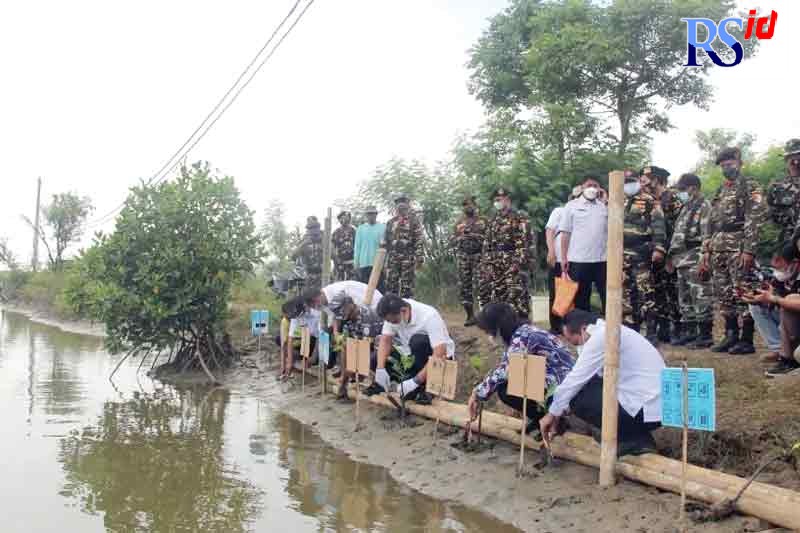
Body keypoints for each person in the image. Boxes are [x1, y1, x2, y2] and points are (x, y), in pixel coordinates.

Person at [539, 310, 666, 456]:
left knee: (578, 398)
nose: (576, 347)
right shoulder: (610, 331)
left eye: (575, 342)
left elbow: (575, 380)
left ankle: (632, 441)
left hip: (648, 408)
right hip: (650, 405)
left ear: (583, 329)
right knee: (587, 387)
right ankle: (634, 438)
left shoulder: (602, 337)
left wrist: (552, 414)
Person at [700, 147, 768, 355]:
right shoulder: (721, 190)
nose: (726, 169)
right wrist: (706, 249)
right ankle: (730, 334)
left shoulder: (750, 185)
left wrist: (749, 250)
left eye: (730, 164)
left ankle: (746, 338)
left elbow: (754, 219)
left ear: (739, 163)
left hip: (738, 244)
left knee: (743, 290)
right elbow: (710, 221)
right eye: (723, 166)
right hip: (719, 246)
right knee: (724, 292)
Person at [467, 303, 575, 432]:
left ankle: (555, 421)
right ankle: (540, 418)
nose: (487, 334)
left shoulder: (523, 337)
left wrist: (477, 393)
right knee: (513, 382)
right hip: (553, 380)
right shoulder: (522, 333)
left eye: (487, 330)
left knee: (505, 389)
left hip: (563, 387)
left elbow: (505, 371)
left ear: (497, 326)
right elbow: (506, 366)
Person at [365, 294, 456, 404]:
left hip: (440, 362)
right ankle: (387, 384)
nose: (391, 324)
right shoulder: (393, 312)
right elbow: (386, 340)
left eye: (394, 321)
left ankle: (426, 387)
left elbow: (440, 352)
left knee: (417, 341)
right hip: (411, 356)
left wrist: (416, 381)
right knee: (375, 358)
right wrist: (380, 369)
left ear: (403, 311)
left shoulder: (429, 316)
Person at [667, 173, 714, 349]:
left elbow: (706, 235)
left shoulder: (704, 206)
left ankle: (705, 335)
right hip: (681, 260)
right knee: (685, 298)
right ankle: (690, 332)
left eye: (682, 189)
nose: (680, 193)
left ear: (693, 188)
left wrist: (704, 259)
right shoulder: (686, 207)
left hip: (695, 257)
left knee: (700, 296)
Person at [621, 170, 666, 342]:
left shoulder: (649, 201)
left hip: (641, 252)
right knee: (625, 293)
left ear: (639, 182)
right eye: (626, 182)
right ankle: (630, 330)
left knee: (645, 292)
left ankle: (651, 331)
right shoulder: (618, 200)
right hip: (622, 255)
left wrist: (658, 248)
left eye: (632, 181)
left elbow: (659, 225)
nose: (629, 184)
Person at [743, 242, 800, 376]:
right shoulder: (783, 277)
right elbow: (775, 296)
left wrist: (775, 299)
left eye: (780, 262)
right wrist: (761, 298)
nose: (777, 267)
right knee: (758, 307)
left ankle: (789, 358)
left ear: (795, 263)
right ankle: (782, 353)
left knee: (789, 301)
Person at [642, 166, 684, 344]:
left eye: (648, 178)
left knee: (672, 292)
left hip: (669, 253)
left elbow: (678, 228)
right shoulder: (647, 200)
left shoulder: (672, 198)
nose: (644, 181)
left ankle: (678, 330)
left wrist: (671, 255)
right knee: (656, 291)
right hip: (651, 253)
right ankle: (662, 328)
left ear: (657, 179)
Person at [480, 187, 534, 319]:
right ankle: (504, 328)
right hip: (496, 264)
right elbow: (487, 243)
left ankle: (522, 325)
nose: (496, 202)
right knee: (499, 297)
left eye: (499, 199)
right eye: (495, 200)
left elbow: (525, 242)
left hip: (514, 262)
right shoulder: (493, 219)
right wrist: (486, 264)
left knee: (517, 296)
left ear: (507, 199)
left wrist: (518, 263)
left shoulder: (520, 216)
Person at [560, 177, 609, 313]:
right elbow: (565, 234)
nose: (592, 188)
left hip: (602, 260)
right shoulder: (571, 206)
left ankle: (608, 329)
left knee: (607, 296)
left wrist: (605, 200)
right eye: (589, 185)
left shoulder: (604, 207)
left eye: (595, 185)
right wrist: (564, 257)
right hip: (578, 260)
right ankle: (582, 330)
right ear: (582, 187)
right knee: (581, 299)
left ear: (599, 188)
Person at [332, 296, 386, 398]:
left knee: (369, 358)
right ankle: (345, 380)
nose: (340, 313)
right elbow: (349, 344)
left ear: (350, 305)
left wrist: (351, 369)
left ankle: (374, 383)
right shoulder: (347, 319)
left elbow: (367, 348)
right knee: (344, 346)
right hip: (363, 347)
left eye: (341, 309)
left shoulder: (367, 316)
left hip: (380, 349)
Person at [545, 187, 581, 334]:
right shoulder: (560, 211)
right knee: (556, 293)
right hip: (559, 258)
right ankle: (555, 327)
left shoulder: (584, 213)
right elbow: (550, 230)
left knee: (574, 294)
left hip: (577, 259)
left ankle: (573, 326)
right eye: (575, 196)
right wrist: (551, 251)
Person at [450, 195, 487, 326]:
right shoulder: (459, 222)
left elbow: (490, 239)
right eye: (465, 205)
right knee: (465, 287)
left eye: (470, 204)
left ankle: (485, 316)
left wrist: (474, 236)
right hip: (464, 258)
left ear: (475, 205)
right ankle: (470, 316)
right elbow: (452, 241)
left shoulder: (483, 221)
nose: (468, 207)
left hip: (479, 256)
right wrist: (460, 236)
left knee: (483, 286)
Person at [299, 280, 383, 336]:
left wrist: (336, 332)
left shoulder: (337, 292)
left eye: (316, 303)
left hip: (374, 308)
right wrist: (335, 332)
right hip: (356, 316)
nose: (317, 307)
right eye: (313, 306)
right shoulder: (323, 301)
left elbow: (339, 316)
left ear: (319, 295)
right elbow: (335, 317)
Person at [383, 194, 424, 298]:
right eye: (398, 203)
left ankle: (407, 310)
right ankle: (393, 311)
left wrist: (419, 257)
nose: (401, 205)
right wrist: (384, 261)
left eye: (403, 202)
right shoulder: (391, 222)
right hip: (393, 259)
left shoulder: (413, 221)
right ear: (396, 206)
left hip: (408, 258)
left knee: (407, 287)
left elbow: (419, 239)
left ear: (407, 205)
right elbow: (385, 241)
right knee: (392, 286)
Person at [767, 139, 800, 244]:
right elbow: (772, 216)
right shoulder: (777, 187)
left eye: (798, 157)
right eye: (791, 158)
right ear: (786, 160)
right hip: (788, 241)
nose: (795, 162)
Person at [281, 296, 322, 381]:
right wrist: (289, 362)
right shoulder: (295, 316)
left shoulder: (317, 316)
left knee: (317, 359)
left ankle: (312, 361)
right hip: (306, 340)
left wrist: (312, 358)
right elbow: (290, 338)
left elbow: (320, 338)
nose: (296, 319)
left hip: (319, 342)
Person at [354, 206, 386, 285]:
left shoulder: (383, 227)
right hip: (364, 263)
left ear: (376, 214)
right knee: (364, 288)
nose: (371, 216)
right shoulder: (360, 229)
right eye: (368, 214)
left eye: (372, 213)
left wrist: (385, 264)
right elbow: (357, 247)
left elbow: (385, 247)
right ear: (366, 215)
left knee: (378, 289)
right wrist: (356, 264)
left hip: (378, 263)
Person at [291, 216, 324, 290]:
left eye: (315, 228)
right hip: (308, 275)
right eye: (310, 228)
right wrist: (304, 244)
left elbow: (334, 256)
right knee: (308, 298)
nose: (313, 231)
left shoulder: (325, 238)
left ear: (318, 228)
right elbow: (293, 257)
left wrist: (324, 244)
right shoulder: (305, 240)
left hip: (323, 275)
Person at [332, 211, 356, 281]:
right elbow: (332, 247)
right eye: (342, 218)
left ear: (350, 219)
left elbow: (358, 245)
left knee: (352, 282)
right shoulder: (336, 232)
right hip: (340, 262)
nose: (344, 220)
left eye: (347, 218)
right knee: (339, 283)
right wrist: (335, 259)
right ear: (339, 220)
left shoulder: (354, 230)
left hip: (352, 261)